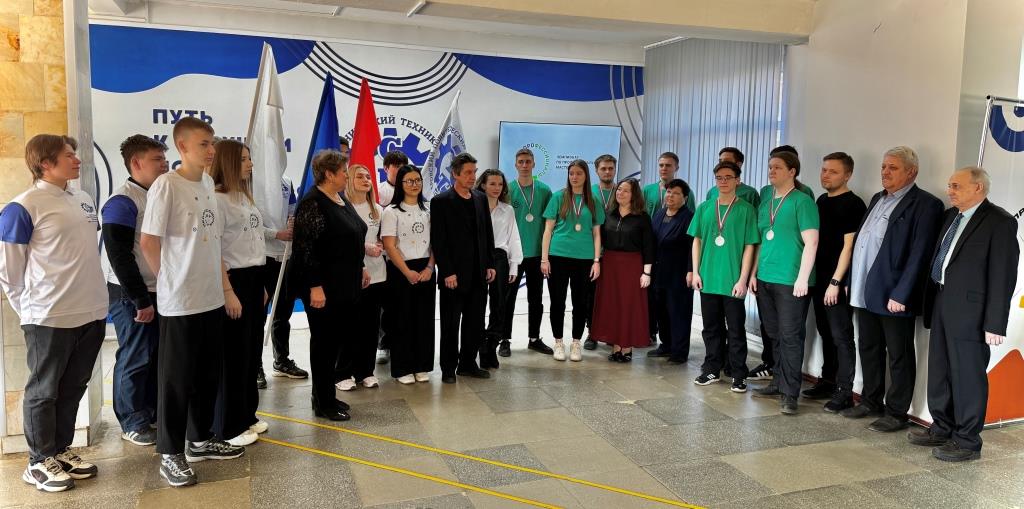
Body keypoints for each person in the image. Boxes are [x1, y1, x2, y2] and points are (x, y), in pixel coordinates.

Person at [140, 118, 244, 487]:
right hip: (180, 302)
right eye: (203, 144)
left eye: (212, 143)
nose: (211, 150)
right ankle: (170, 453)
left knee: (206, 374)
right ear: (182, 147)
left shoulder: (207, 184)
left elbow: (213, 244)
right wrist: (169, 280)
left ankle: (199, 439)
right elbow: (149, 241)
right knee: (176, 380)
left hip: (210, 297)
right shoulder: (167, 185)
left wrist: (225, 288)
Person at [0, 135, 106, 492]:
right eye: (68, 155)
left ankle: (60, 450)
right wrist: (31, 310)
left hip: (91, 310)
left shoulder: (83, 198)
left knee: (73, 386)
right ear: (45, 163)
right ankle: (38, 461)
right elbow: (9, 271)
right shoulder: (23, 206)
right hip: (49, 316)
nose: (77, 160)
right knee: (43, 391)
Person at [914, 167, 1018, 462]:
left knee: (968, 376)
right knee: (940, 370)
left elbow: (1003, 275)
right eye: (949, 185)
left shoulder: (999, 221)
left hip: (972, 313)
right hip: (942, 302)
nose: (950, 191)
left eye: (956, 186)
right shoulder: (951, 216)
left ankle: (967, 441)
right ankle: (942, 427)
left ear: (978, 188)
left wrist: (995, 323)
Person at [843, 146, 942, 432]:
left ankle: (897, 412)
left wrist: (902, 293)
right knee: (869, 346)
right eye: (884, 166)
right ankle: (870, 400)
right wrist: (850, 280)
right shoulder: (878, 198)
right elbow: (862, 245)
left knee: (899, 354)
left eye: (893, 167)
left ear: (912, 172)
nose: (885, 172)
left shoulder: (926, 204)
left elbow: (920, 254)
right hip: (865, 288)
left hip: (894, 293)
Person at [101, 135, 168, 448]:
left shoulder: (157, 194)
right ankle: (132, 422)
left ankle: (150, 413)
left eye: (164, 158)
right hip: (132, 294)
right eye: (157, 159)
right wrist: (140, 299)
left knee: (154, 356)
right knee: (136, 356)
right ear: (136, 163)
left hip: (159, 290)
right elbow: (119, 255)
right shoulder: (122, 201)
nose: (165, 164)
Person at [292, 149, 369, 420]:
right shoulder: (312, 203)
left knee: (334, 343)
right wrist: (314, 286)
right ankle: (323, 402)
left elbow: (353, 235)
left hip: (345, 284)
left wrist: (361, 266)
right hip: (323, 288)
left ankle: (327, 395)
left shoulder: (339, 197)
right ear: (328, 174)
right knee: (323, 346)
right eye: (343, 172)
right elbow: (305, 249)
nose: (347, 175)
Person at [749, 151, 819, 415]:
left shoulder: (803, 201)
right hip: (765, 277)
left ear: (792, 171)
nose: (772, 171)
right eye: (770, 167)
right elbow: (761, 242)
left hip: (791, 280)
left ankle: (790, 393)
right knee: (774, 334)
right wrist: (754, 273)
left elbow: (812, 242)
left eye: (777, 167)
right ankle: (778, 382)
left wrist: (803, 278)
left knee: (790, 336)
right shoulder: (766, 202)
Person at [209, 140, 268, 447]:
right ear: (229, 162)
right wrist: (228, 291)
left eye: (250, 159)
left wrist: (262, 285)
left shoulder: (244, 197)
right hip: (234, 281)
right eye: (244, 159)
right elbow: (215, 249)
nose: (250, 164)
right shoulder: (217, 200)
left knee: (250, 351)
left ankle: (247, 413)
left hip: (255, 278)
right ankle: (228, 425)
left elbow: (254, 241)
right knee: (232, 355)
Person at [804, 152, 866, 412]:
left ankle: (844, 391)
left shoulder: (854, 204)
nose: (826, 175)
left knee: (842, 336)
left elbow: (849, 247)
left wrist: (836, 281)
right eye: (824, 170)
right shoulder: (820, 200)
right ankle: (827, 381)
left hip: (836, 282)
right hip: (819, 279)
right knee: (825, 331)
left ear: (847, 175)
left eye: (833, 171)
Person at [690, 162, 759, 393]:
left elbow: (750, 246)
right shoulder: (705, 207)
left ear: (738, 180)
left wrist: (743, 279)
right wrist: (696, 271)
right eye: (719, 177)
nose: (723, 181)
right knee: (711, 328)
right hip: (708, 278)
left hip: (733, 281)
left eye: (728, 177)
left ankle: (739, 374)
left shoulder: (747, 209)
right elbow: (697, 240)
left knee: (736, 329)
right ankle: (712, 368)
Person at [431, 153, 496, 383]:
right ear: (455, 174)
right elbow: (438, 240)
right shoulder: (441, 201)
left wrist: (490, 263)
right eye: (468, 172)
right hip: (454, 276)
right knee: (450, 324)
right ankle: (448, 368)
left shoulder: (480, 198)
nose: (472, 176)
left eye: (474, 172)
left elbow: (487, 233)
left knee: (475, 322)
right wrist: (447, 271)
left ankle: (468, 364)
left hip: (479, 274)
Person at [541, 159, 604, 362]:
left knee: (581, 303)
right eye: (571, 173)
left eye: (579, 173)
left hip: (584, 259)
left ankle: (576, 343)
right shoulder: (558, 197)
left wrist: (596, 260)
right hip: (558, 256)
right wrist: (544, 259)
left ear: (586, 176)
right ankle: (558, 342)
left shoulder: (593, 200)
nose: (574, 177)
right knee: (557, 301)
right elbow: (548, 230)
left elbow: (597, 233)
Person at [381, 165, 436, 384]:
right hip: (400, 269)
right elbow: (389, 245)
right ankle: (403, 368)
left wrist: (430, 268)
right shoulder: (391, 211)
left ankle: (421, 365)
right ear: (400, 184)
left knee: (424, 319)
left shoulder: (428, 209)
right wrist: (406, 272)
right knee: (402, 319)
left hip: (426, 268)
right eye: (409, 181)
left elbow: (436, 242)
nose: (414, 184)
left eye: (418, 180)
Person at [590, 179, 655, 362]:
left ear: (634, 195)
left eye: (626, 190)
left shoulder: (642, 217)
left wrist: (647, 272)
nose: (620, 193)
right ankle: (616, 347)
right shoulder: (609, 214)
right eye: (619, 189)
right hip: (610, 265)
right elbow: (599, 239)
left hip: (632, 266)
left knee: (628, 306)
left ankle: (627, 348)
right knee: (612, 305)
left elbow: (649, 246)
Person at [336, 163, 386, 391]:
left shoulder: (378, 210)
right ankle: (342, 373)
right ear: (348, 180)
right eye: (360, 176)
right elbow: (341, 241)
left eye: (368, 176)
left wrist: (382, 246)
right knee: (348, 325)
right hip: (351, 275)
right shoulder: (342, 208)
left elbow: (386, 239)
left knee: (370, 326)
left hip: (377, 275)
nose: (366, 180)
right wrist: (365, 247)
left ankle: (365, 371)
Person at [502, 148, 555, 357]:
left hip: (536, 254)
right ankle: (504, 339)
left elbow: (550, 223)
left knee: (536, 299)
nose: (524, 165)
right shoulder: (508, 190)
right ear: (516, 165)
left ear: (534, 164)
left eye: (528, 161)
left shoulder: (544, 190)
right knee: (508, 299)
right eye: (521, 162)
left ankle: (534, 338)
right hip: (513, 256)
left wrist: (546, 255)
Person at [260, 176, 308, 386]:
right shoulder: (252, 181)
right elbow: (249, 223)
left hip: (286, 256)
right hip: (262, 257)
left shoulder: (287, 181)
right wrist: (276, 234)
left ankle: (281, 360)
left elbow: (292, 210)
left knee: (282, 313)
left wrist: (293, 223)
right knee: (259, 315)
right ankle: (255, 366)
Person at [476, 169, 523, 369]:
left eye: (500, 184)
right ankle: (479, 346)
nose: (497, 188)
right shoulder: (475, 206)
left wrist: (514, 265)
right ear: (483, 185)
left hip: (500, 257)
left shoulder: (507, 210)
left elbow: (513, 237)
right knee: (477, 305)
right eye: (492, 183)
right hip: (479, 257)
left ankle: (491, 346)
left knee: (499, 305)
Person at [649, 179, 696, 363]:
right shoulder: (660, 214)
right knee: (661, 311)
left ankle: (679, 351)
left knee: (679, 313)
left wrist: (691, 271)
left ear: (685, 197)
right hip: (659, 273)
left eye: (676, 193)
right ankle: (666, 345)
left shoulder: (689, 217)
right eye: (669, 192)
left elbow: (693, 247)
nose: (670, 196)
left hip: (679, 274)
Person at [376, 150, 409, 366]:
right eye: (395, 166)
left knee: (401, 303)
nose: (398, 169)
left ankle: (400, 344)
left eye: (402, 165)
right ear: (386, 168)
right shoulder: (378, 192)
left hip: (405, 256)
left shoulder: (411, 190)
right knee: (384, 305)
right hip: (383, 257)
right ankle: (383, 345)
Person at [587, 154, 617, 350]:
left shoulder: (622, 191)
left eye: (610, 168)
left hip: (615, 251)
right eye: (603, 169)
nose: (607, 172)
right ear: (596, 171)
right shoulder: (589, 192)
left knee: (612, 295)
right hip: (591, 251)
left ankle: (611, 332)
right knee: (591, 295)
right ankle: (591, 333)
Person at [642, 151, 695, 216]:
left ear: (676, 168)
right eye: (661, 165)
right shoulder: (647, 190)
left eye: (668, 165)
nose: (664, 168)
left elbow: (691, 217)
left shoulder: (686, 192)